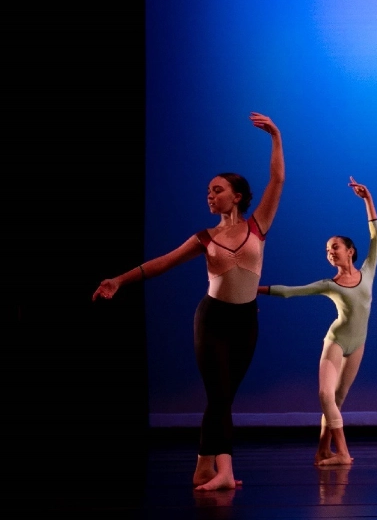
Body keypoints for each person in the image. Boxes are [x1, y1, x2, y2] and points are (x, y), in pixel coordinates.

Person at [93, 112, 284, 491]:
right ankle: (219, 471)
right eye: (208, 191)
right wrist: (119, 280)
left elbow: (277, 179)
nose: (210, 195)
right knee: (217, 394)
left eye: (217, 190)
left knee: (224, 397)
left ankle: (207, 469)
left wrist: (276, 136)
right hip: (211, 320)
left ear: (238, 195)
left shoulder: (257, 224)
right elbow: (160, 263)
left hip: (245, 322)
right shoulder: (204, 237)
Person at [259, 177, 377, 466]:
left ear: (350, 250)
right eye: (327, 250)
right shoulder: (330, 284)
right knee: (325, 394)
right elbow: (291, 292)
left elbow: (376, 236)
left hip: (358, 343)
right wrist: (255, 289)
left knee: (336, 401)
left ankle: (323, 450)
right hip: (336, 341)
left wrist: (367, 199)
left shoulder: (368, 270)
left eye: (335, 247)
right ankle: (344, 454)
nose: (330, 252)